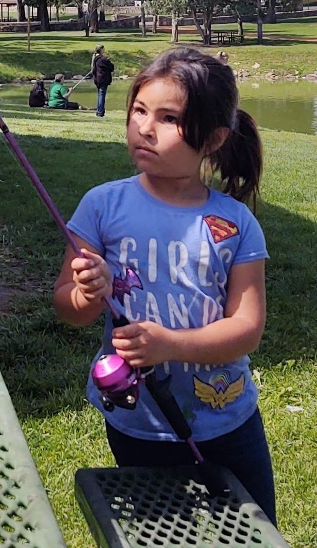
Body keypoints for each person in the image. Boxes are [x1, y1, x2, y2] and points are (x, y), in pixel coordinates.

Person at [53, 47, 275, 524]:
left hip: (228, 421)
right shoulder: (100, 207)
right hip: (139, 423)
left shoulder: (235, 224)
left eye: (168, 118)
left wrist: (168, 344)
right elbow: (68, 308)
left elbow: (248, 328)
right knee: (160, 531)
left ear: (213, 137)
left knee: (256, 531)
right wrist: (88, 292)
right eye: (138, 110)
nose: (144, 128)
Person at [89, 43, 114, 117]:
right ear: (101, 50)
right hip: (103, 79)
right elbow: (111, 67)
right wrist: (109, 61)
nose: (104, 50)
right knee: (102, 96)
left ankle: (99, 111)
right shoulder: (102, 59)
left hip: (97, 79)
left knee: (100, 95)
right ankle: (100, 112)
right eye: (103, 49)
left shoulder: (95, 59)